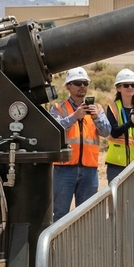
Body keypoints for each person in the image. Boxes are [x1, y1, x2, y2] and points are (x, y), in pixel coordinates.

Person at [50, 67, 110, 221]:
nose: (82, 86)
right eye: (78, 83)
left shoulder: (96, 109)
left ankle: (82, 246)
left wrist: (97, 118)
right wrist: (74, 117)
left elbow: (106, 131)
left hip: (89, 169)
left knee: (87, 216)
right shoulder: (58, 108)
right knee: (61, 214)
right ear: (68, 86)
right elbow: (54, 130)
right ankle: (58, 246)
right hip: (64, 169)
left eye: (85, 83)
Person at [104, 69, 134, 190]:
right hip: (117, 164)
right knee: (117, 204)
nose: (130, 87)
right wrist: (132, 121)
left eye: (133, 85)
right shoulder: (113, 107)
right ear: (118, 88)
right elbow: (114, 132)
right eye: (126, 85)